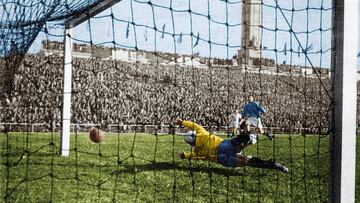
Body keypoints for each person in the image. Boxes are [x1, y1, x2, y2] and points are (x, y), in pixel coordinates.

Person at [176, 119, 288, 172]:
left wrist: (184, 156)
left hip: (220, 158)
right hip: (221, 145)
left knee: (244, 161)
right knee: (235, 144)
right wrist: (182, 122)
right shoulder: (201, 132)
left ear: (190, 143)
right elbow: (193, 125)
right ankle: (246, 139)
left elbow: (194, 156)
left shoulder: (197, 151)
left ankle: (271, 164)